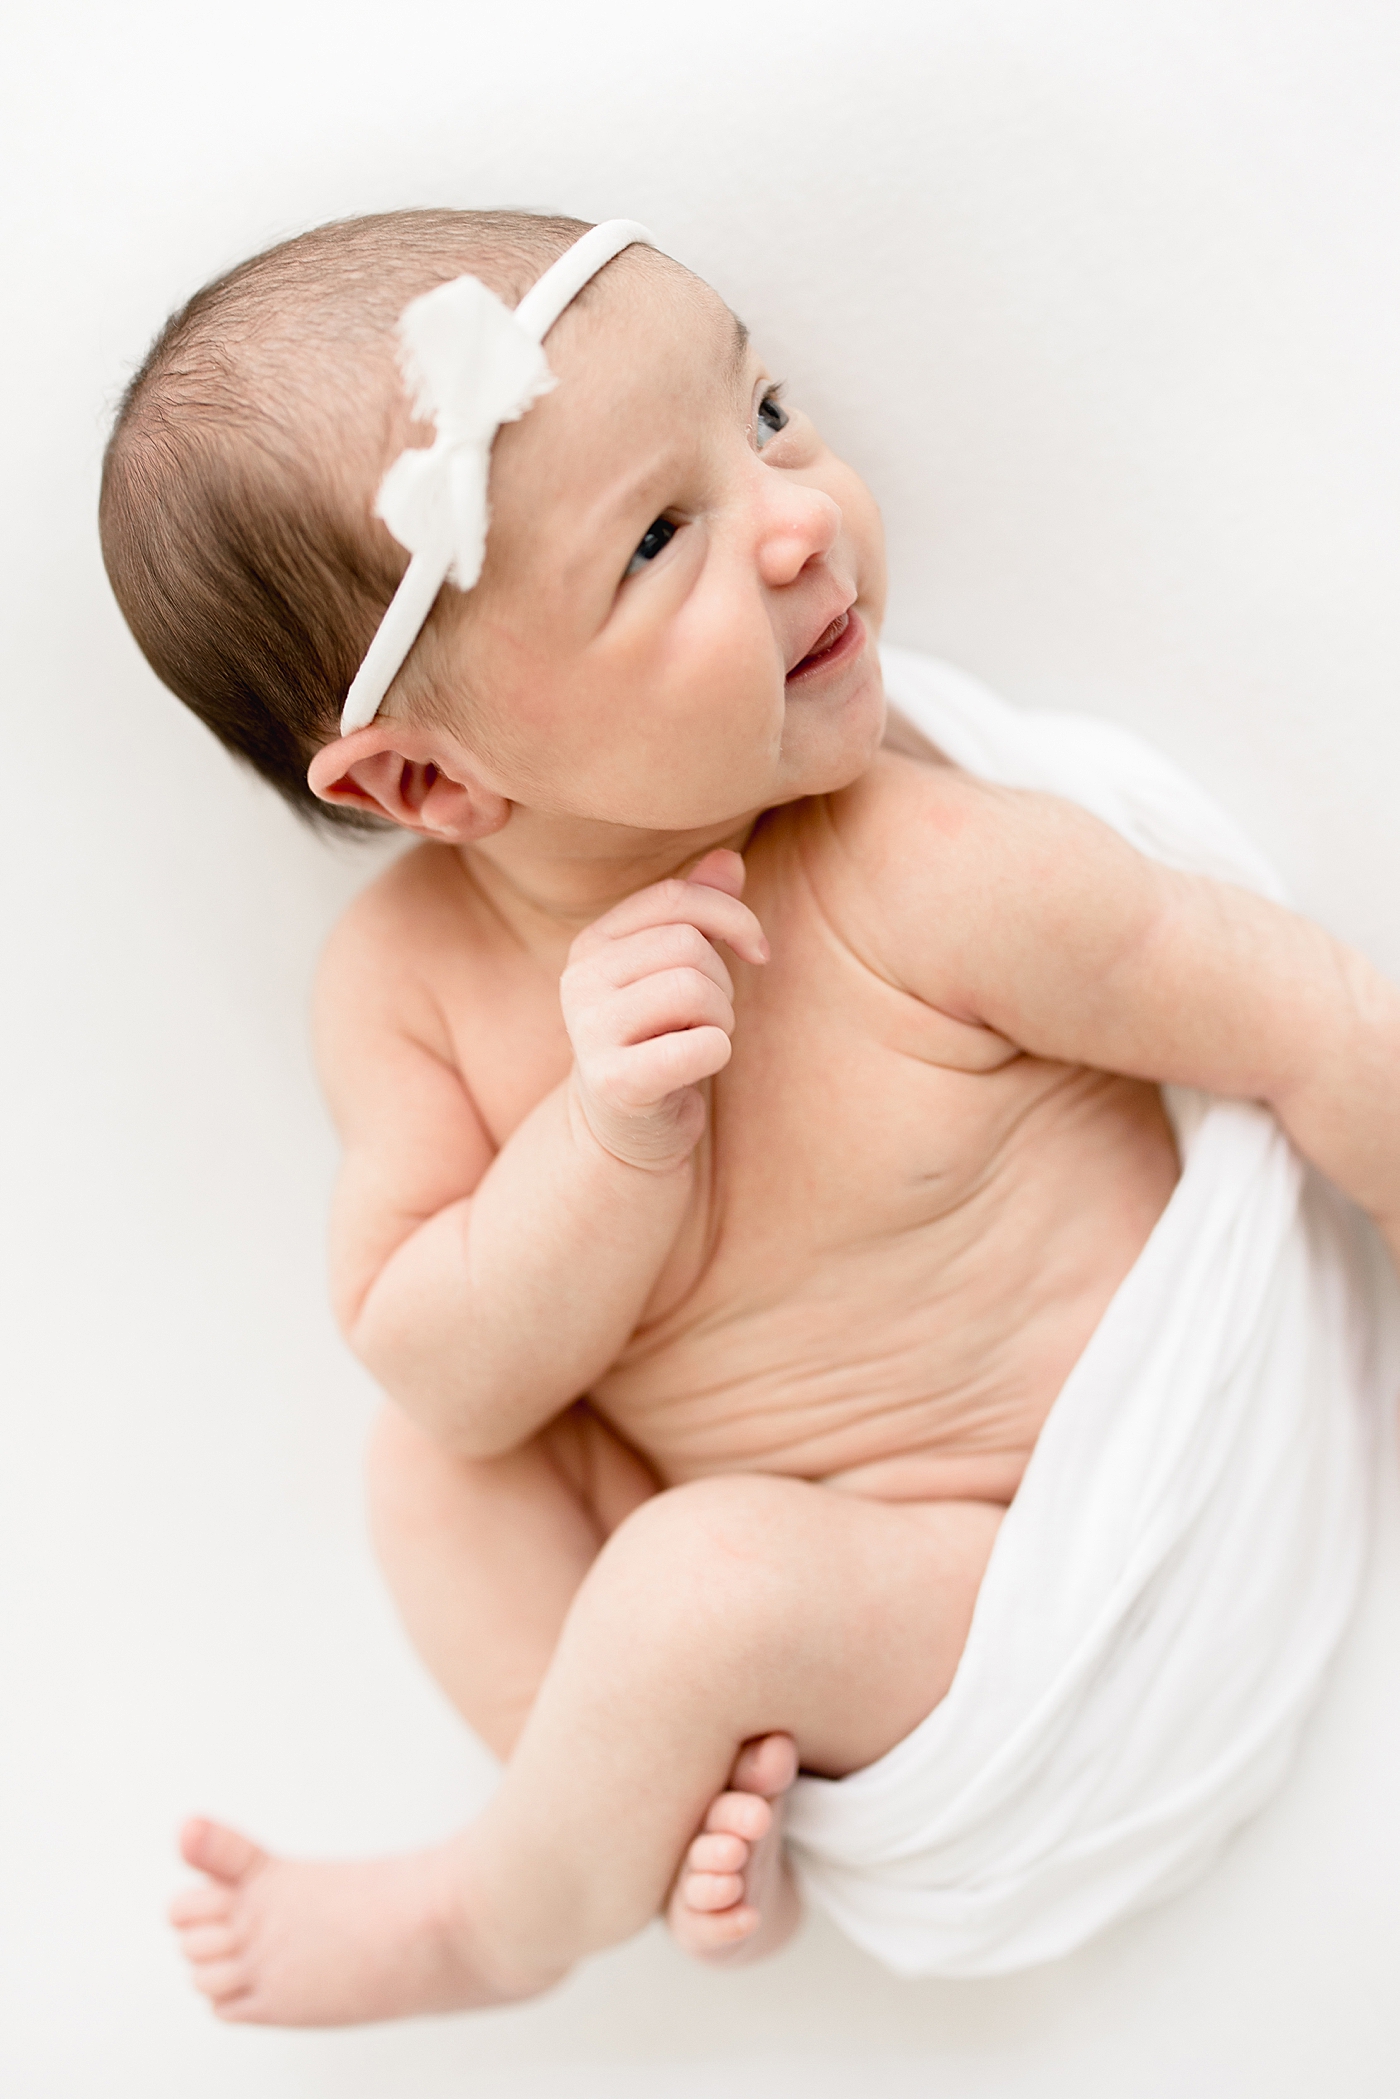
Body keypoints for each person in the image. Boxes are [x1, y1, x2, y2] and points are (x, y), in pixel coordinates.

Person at [99, 211, 1400, 2027]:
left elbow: (1314, 1021)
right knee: (434, 1483)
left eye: (766, 410)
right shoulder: (403, 990)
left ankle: (500, 1908)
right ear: (426, 779)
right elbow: (449, 1371)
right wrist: (604, 1142)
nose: (799, 517)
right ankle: (633, 1810)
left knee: (699, 1588)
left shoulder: (925, 872)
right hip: (757, 1560)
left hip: (1034, 1561)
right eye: (655, 538)